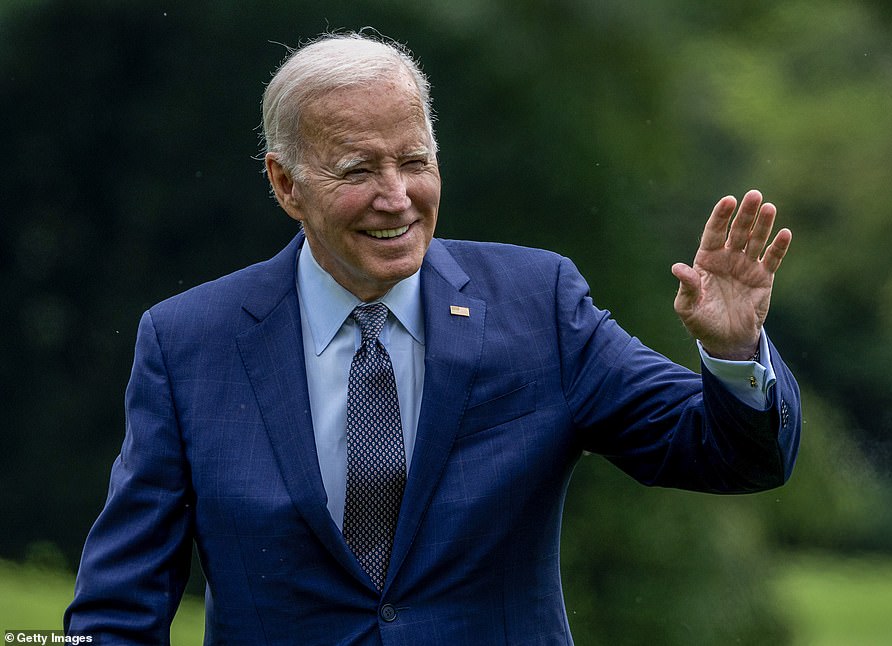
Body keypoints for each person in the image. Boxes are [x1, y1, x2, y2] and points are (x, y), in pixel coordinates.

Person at [65, 32, 800, 645]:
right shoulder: (189, 341)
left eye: (414, 161)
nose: (397, 196)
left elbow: (730, 454)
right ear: (286, 185)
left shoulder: (537, 304)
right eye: (358, 169)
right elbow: (115, 611)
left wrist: (734, 354)